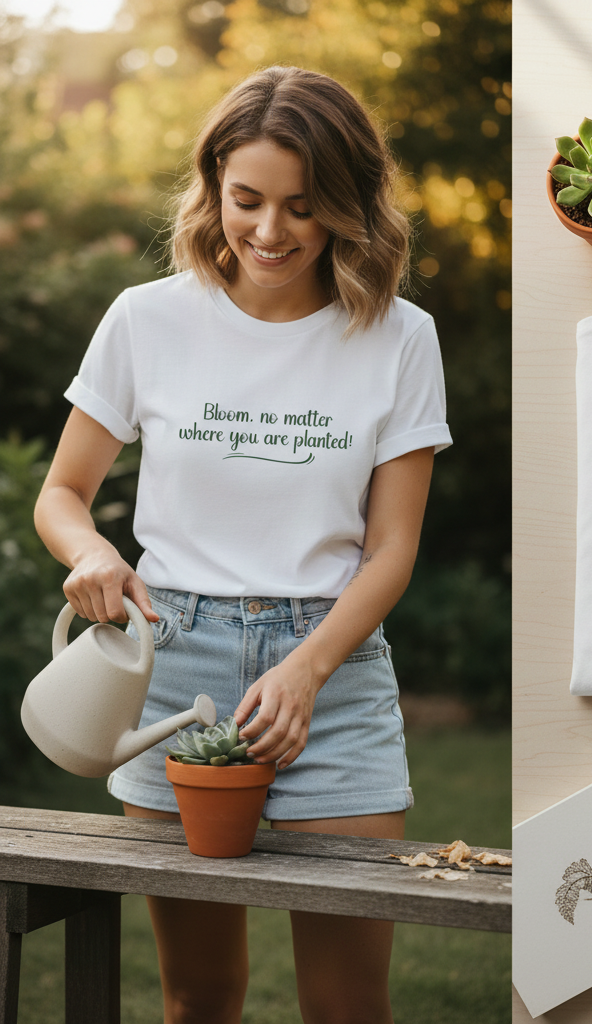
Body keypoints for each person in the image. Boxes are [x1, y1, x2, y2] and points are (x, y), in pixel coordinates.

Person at [33, 66, 451, 1024]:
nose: (269, 233)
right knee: (200, 996)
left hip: (333, 678)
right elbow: (62, 493)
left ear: (349, 204)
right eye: (247, 200)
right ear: (213, 188)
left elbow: (391, 550)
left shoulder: (398, 336)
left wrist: (307, 671)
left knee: (349, 1005)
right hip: (171, 676)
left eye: (303, 207)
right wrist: (90, 555)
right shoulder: (148, 319)